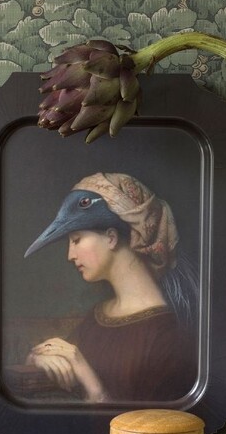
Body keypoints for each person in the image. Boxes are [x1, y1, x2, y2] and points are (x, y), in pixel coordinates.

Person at [23, 172, 198, 404]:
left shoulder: (169, 333)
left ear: (111, 238)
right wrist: (38, 359)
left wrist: (93, 387)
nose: (70, 255)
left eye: (76, 240)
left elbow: (151, 422)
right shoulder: (96, 319)